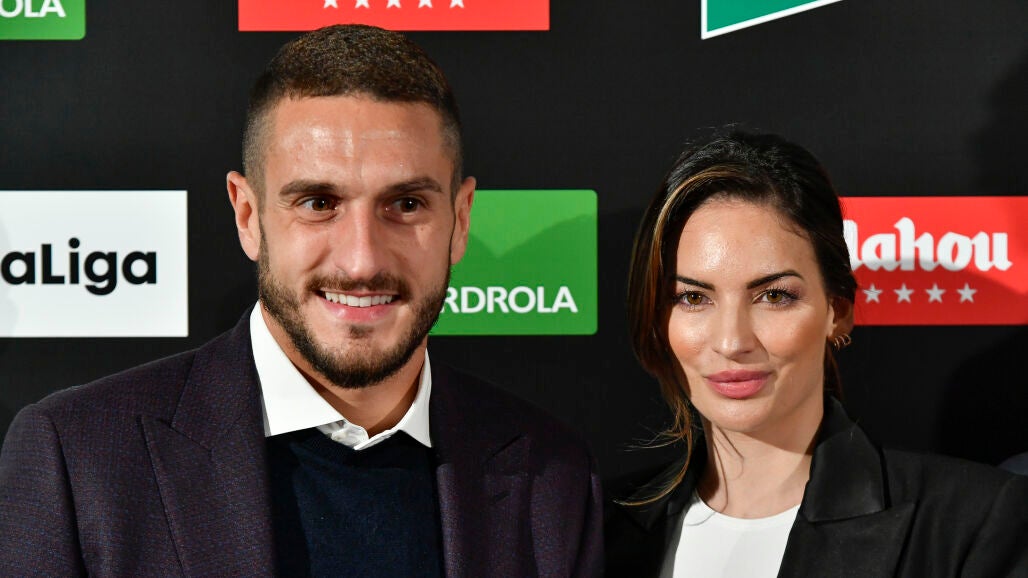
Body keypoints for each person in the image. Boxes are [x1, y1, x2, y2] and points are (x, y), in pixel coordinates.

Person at [0, 25, 602, 577]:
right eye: (318, 203)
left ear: (461, 219)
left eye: (406, 204)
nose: (362, 261)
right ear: (248, 215)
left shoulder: (556, 480)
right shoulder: (78, 460)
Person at [605, 132, 1028, 577]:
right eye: (693, 298)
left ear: (837, 311)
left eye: (774, 295)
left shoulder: (971, 523)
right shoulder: (600, 530)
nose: (731, 341)